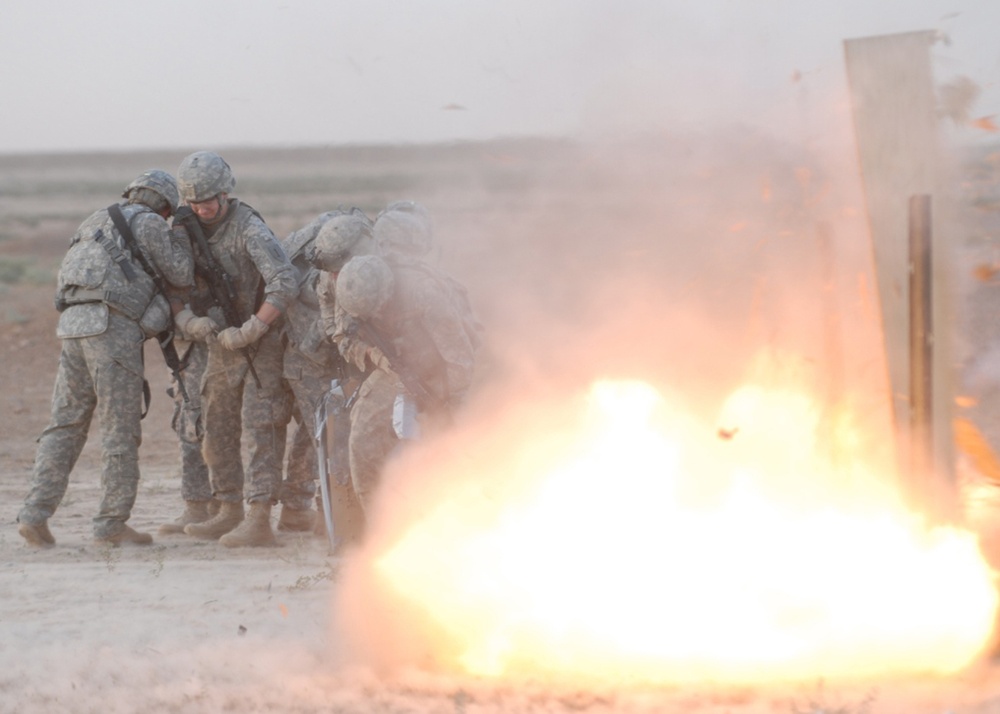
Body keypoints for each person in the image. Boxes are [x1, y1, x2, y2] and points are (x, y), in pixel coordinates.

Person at [17, 169, 193, 547]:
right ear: (164, 205)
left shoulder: (94, 219)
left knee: (64, 424)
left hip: (73, 325)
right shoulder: (150, 224)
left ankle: (35, 513)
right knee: (119, 429)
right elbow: (180, 272)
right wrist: (179, 233)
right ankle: (111, 523)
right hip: (111, 331)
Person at [314, 210, 479, 525]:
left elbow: (459, 355)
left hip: (441, 368)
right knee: (364, 439)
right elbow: (345, 340)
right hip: (393, 368)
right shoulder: (351, 286)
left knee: (455, 442)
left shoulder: (424, 290)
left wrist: (451, 403)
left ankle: (465, 519)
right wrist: (376, 358)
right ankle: (380, 525)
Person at [171, 150, 299, 547]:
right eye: (195, 202)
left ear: (225, 193)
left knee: (263, 426)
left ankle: (259, 516)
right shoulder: (183, 228)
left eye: (209, 200)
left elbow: (285, 283)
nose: (203, 209)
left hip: (259, 341)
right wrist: (187, 320)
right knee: (217, 425)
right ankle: (228, 509)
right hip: (219, 342)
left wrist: (254, 328)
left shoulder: (250, 229)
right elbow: (172, 285)